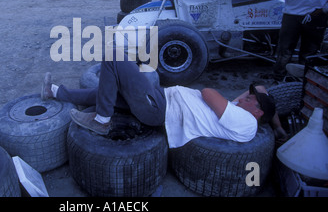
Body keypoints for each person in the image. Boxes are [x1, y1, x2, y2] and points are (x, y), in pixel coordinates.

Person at [41, 52, 287, 147]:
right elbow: (258, 87)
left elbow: (207, 92)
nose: (245, 97)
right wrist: (277, 126)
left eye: (251, 99)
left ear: (257, 109)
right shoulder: (241, 112)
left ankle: (102, 120)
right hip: (161, 101)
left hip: (160, 110)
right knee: (110, 88)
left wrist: (265, 113)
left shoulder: (247, 123)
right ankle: (54, 91)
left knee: (113, 57)